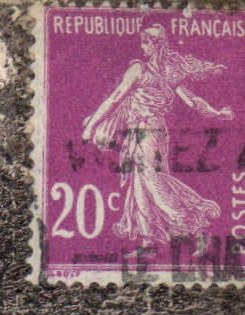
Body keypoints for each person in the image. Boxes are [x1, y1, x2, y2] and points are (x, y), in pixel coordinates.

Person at [81, 25, 232, 248]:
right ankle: (148, 242)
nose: (142, 47)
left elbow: (115, 98)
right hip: (148, 131)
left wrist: (90, 127)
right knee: (140, 183)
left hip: (148, 131)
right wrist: (215, 113)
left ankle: (194, 222)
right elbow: (192, 100)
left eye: (145, 42)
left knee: (152, 180)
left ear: (153, 44)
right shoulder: (169, 73)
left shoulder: (139, 70)